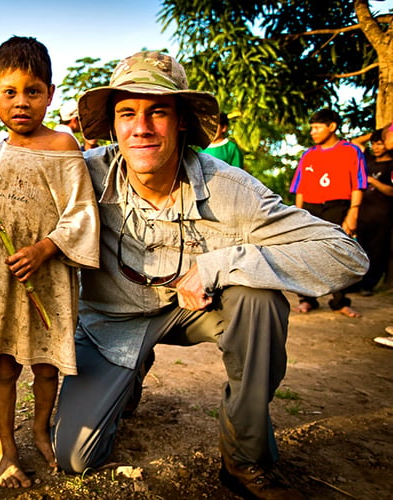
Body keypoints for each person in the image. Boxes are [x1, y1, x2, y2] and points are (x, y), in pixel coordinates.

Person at [50, 51, 368, 500]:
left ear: (181, 121)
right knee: (76, 457)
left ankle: (244, 458)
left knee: (259, 300)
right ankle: (130, 375)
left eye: (157, 112)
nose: (141, 127)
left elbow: (346, 254)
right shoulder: (84, 174)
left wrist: (219, 264)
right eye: (127, 113)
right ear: (114, 125)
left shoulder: (231, 189)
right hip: (112, 323)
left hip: (198, 311)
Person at [0, 36, 100, 488]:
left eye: (33, 91)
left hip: (49, 278)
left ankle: (41, 431)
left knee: (46, 366)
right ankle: (7, 448)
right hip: (5, 280)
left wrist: (46, 249)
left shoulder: (64, 146)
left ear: (50, 93)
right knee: (5, 365)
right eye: (9, 92)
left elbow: (82, 211)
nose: (21, 102)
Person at [289, 108, 368, 317]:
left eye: (317, 127)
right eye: (311, 128)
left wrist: (353, 213)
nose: (313, 132)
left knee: (338, 253)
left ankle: (340, 301)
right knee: (306, 254)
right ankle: (307, 299)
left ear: (332, 127)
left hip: (338, 205)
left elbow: (358, 185)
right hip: (310, 207)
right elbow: (300, 188)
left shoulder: (351, 151)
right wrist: (298, 214)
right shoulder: (308, 155)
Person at [351, 128, 393, 295]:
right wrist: (380, 132)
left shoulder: (391, 165)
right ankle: (354, 284)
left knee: (377, 251)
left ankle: (367, 286)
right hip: (362, 213)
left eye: (380, 144)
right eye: (374, 144)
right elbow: (356, 143)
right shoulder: (366, 159)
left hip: (382, 215)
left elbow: (391, 191)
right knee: (357, 249)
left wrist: (371, 181)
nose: (376, 147)